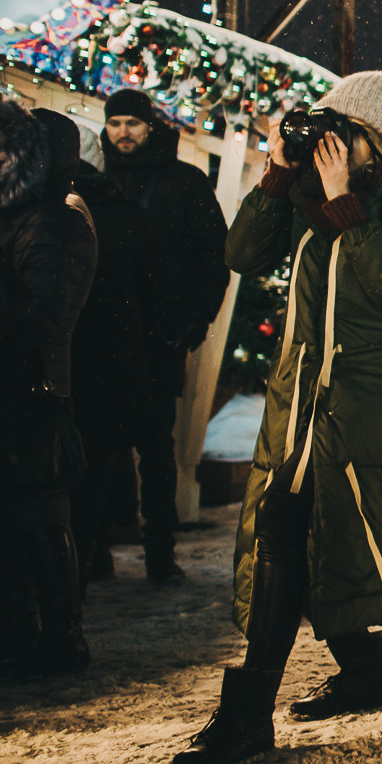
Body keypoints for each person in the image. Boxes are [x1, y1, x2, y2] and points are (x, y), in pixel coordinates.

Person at [173, 72, 382, 764]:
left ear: (369, 137)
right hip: (307, 391)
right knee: (296, 527)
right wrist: (276, 177)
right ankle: (365, 671)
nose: (325, 143)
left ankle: (248, 714)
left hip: (366, 390)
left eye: (337, 131)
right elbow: (241, 255)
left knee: (303, 525)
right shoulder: (310, 188)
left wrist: (349, 199)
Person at [0, 101, 96, 681]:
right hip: (8, 381)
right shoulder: (20, 211)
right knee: (9, 512)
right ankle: (17, 623)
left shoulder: (55, 218)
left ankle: (62, 637)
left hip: (34, 384)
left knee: (39, 513)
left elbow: (43, 308)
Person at [99, 88, 230, 583]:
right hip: (105, 338)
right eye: (115, 124)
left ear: (149, 126)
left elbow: (215, 256)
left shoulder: (183, 182)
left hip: (159, 336)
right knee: (102, 445)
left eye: (132, 122)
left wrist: (194, 320)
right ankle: (98, 547)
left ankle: (159, 550)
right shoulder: (98, 180)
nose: (123, 132)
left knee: (155, 448)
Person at [68, 131, 153, 583]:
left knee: (88, 459)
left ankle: (82, 560)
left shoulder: (71, 213)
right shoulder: (121, 212)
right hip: (114, 355)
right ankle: (93, 550)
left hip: (84, 355)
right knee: (102, 455)